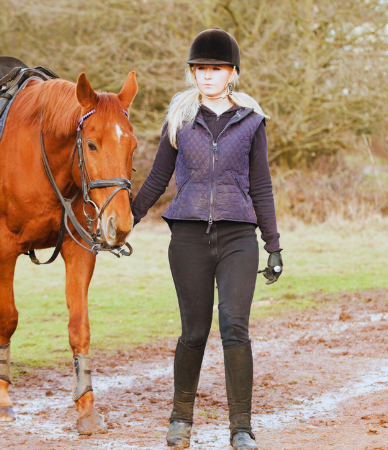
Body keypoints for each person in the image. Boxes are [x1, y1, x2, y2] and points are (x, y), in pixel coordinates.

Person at [131, 27, 283, 450]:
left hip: (238, 236)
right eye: (200, 69)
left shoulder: (252, 122)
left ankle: (242, 427)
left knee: (235, 327)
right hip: (188, 238)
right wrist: (127, 216)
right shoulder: (178, 120)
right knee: (193, 332)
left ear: (232, 72)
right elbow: (159, 177)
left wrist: (273, 244)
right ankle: (180, 420)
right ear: (192, 73)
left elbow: (262, 186)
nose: (208, 76)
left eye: (216, 69)